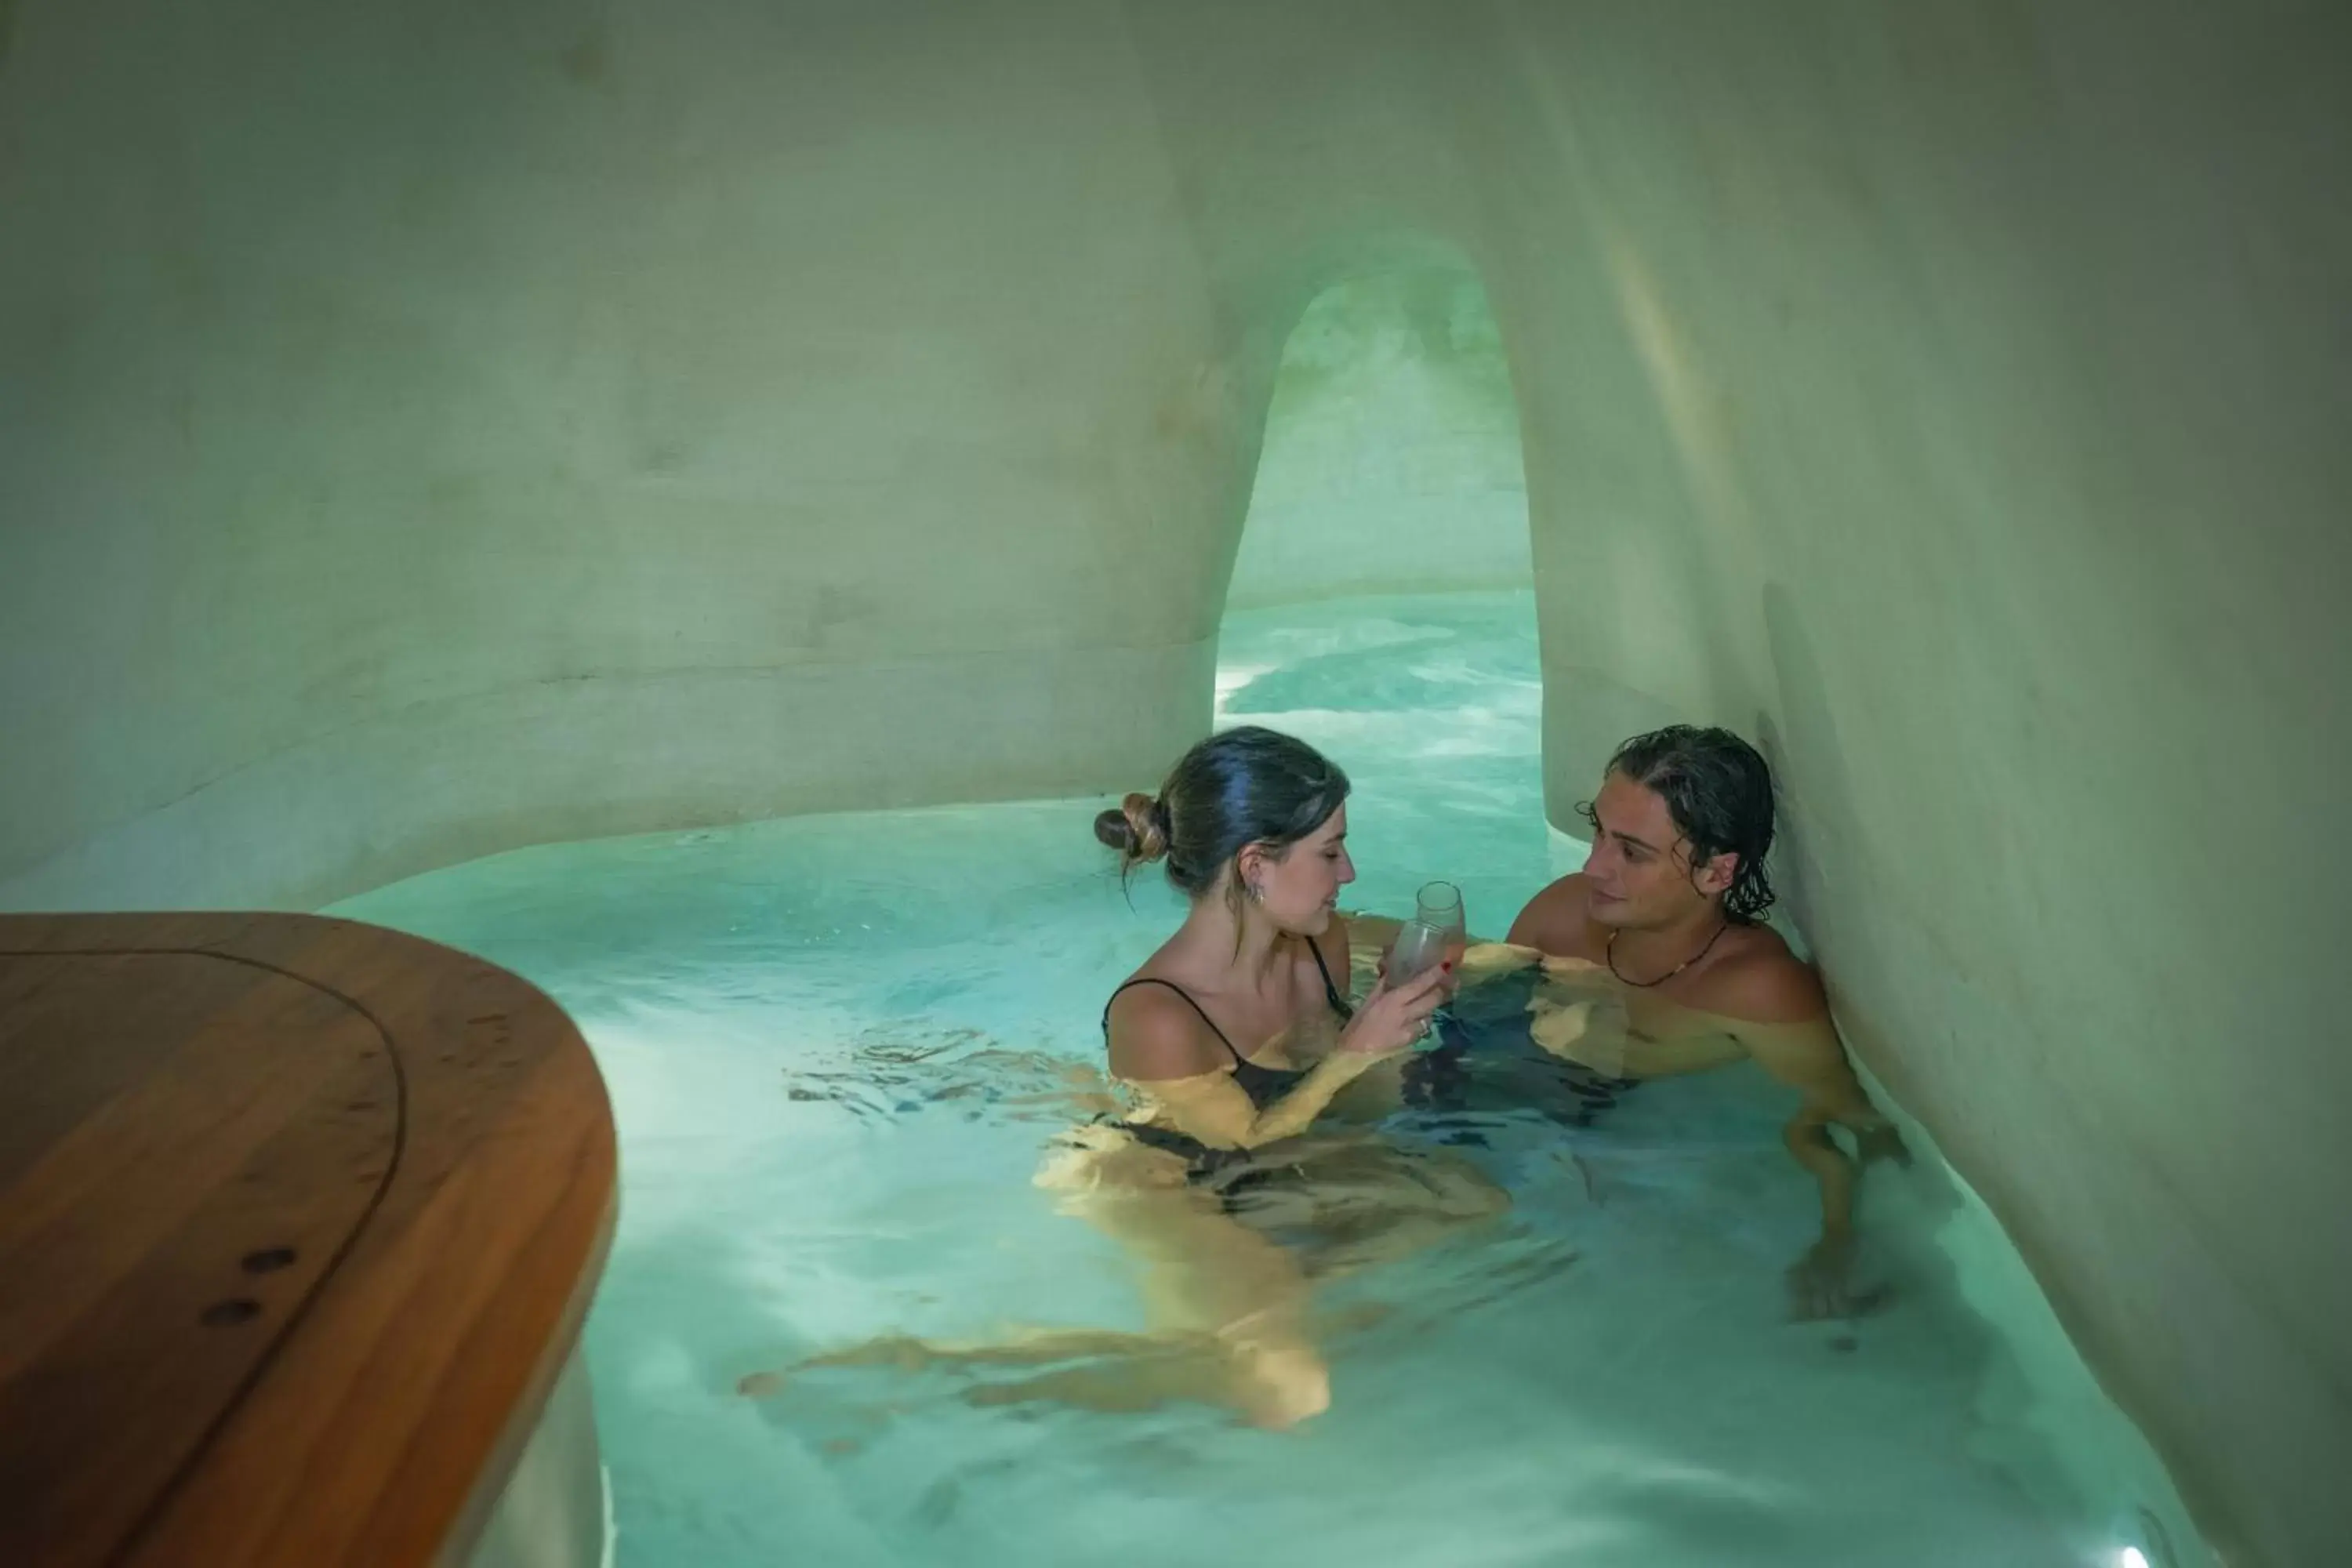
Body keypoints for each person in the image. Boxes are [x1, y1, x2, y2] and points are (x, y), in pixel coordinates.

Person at [742, 727, 1504, 1426]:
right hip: (1168, 1178)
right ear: (1255, 865)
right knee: (1286, 1388)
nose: (1350, 869)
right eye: (1331, 851)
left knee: (1480, 1207)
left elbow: (1389, 984)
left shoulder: (1319, 941)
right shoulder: (1156, 1013)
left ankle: (1273, 1299)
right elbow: (1238, 1138)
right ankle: (931, 1372)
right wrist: (1355, 1054)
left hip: (1275, 1164)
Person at [1497, 725, 1907, 1317]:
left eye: (1631, 852)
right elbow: (1480, 1012)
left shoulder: (1754, 990)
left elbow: (1853, 1123)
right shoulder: (1562, 913)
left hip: (1621, 1150)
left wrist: (1839, 1243)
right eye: (1598, 832)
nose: (1593, 866)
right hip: (1520, 1105)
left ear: (1717, 873)